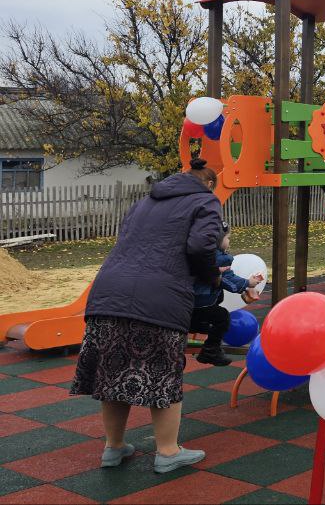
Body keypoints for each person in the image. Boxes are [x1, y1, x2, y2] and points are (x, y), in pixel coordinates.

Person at [71, 158, 224, 474]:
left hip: (108, 293)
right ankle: (168, 451)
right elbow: (200, 247)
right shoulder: (205, 200)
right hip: (159, 297)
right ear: (208, 183)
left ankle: (113, 448)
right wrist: (213, 277)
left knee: (112, 373)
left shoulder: (144, 201)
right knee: (163, 373)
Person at [189, 225, 263, 366]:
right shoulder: (219, 258)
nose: (229, 241)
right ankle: (210, 350)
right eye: (227, 238)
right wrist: (248, 283)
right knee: (222, 316)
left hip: (190, 300)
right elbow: (227, 279)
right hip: (202, 301)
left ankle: (195, 325)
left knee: (216, 303)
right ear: (218, 241)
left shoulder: (200, 255)